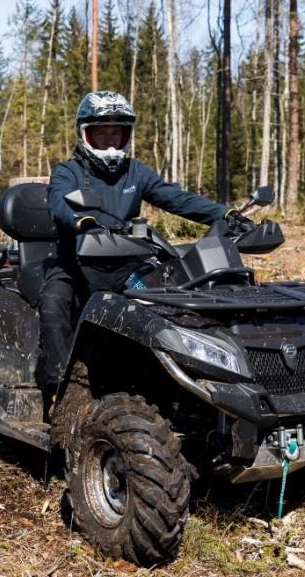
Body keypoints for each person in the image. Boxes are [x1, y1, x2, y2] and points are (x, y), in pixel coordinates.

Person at [37, 90, 254, 392]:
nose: (110, 142)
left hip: (128, 269)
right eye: (101, 134)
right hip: (76, 265)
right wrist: (80, 220)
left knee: (168, 301)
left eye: (117, 133)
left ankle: (177, 383)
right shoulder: (67, 171)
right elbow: (59, 202)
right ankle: (57, 388)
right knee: (53, 302)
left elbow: (177, 198)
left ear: (127, 136)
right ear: (86, 135)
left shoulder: (135, 172)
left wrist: (225, 213)